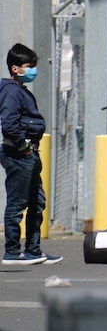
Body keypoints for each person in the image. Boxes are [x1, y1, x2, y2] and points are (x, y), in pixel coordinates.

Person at [0, 44, 62, 265]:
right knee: (17, 204)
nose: (33, 70)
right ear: (16, 69)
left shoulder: (21, 91)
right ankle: (12, 252)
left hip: (29, 154)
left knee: (37, 202)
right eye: (29, 66)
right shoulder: (11, 91)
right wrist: (23, 147)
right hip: (19, 154)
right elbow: (9, 125)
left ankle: (33, 251)